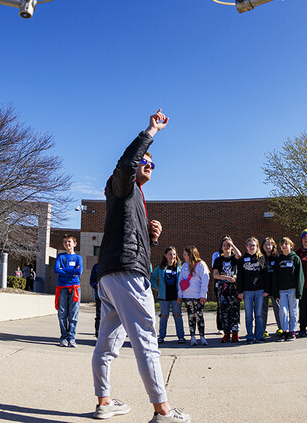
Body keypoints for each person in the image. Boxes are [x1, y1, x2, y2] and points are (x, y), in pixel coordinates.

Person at [91, 110, 190, 422]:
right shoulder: (121, 184)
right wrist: (151, 131)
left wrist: (150, 235)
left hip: (111, 275)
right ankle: (163, 410)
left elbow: (129, 235)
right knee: (147, 338)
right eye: (145, 161)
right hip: (127, 274)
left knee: (107, 342)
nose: (149, 165)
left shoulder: (132, 197)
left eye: (153, 163)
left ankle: (104, 402)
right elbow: (126, 164)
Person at [150, 247, 186, 345]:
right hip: (164, 297)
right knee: (164, 316)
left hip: (176, 297)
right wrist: (155, 287)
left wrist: (182, 292)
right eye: (170, 254)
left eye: (174, 254)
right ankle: (161, 337)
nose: (172, 256)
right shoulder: (161, 268)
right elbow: (151, 278)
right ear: (165, 255)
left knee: (177, 315)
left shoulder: (179, 267)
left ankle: (181, 336)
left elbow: (184, 279)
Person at [236, 237, 269, 343]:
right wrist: (240, 291)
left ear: (257, 247)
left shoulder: (261, 259)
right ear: (246, 247)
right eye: (249, 245)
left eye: (253, 245)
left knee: (259, 314)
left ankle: (259, 335)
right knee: (249, 315)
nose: (251, 247)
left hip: (259, 290)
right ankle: (250, 335)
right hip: (247, 291)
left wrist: (266, 290)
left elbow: (265, 276)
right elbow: (239, 277)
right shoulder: (241, 260)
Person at [211, 236, 242, 342]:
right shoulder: (218, 259)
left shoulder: (234, 258)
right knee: (224, 310)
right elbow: (215, 275)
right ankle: (226, 333)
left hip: (233, 288)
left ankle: (235, 332)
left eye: (228, 245)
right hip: (223, 288)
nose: (226, 247)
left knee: (234, 310)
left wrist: (232, 244)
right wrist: (226, 278)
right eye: (224, 245)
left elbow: (239, 255)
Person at [272, 237, 303, 340]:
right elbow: (275, 276)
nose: (284, 246)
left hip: (293, 289)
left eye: (286, 244)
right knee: (283, 311)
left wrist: (299, 291)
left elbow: (300, 276)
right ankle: (284, 330)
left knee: (293, 311)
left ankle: (292, 331)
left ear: (291, 245)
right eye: (282, 244)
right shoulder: (279, 260)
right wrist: (275, 291)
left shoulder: (295, 258)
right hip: (282, 290)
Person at [178, 246, 209, 346]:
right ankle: (192, 337)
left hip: (198, 297)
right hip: (187, 296)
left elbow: (205, 280)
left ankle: (202, 337)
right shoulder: (184, 266)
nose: (183, 256)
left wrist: (203, 295)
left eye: (185, 254)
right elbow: (180, 281)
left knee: (199, 316)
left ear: (190, 254)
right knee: (191, 316)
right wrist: (180, 295)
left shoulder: (201, 265)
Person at [55, 234, 82, 347]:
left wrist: (64, 270)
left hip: (75, 288)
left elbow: (79, 271)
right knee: (62, 314)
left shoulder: (78, 258)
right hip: (62, 288)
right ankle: (63, 337)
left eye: (69, 242)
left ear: (74, 244)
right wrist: (71, 271)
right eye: (65, 242)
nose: (67, 244)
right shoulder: (60, 257)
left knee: (73, 314)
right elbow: (56, 269)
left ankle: (72, 338)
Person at [261, 236, 281, 338]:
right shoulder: (260, 258)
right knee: (263, 309)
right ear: (262, 246)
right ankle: (262, 330)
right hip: (264, 288)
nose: (268, 247)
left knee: (277, 308)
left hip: (274, 287)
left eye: (270, 244)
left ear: (273, 246)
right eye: (266, 245)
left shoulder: (277, 258)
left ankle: (281, 327)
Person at [89, 262, 101, 337]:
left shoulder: (111, 265)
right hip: (99, 294)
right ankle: (98, 335)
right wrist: (95, 285)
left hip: (111, 296)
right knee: (99, 315)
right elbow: (92, 280)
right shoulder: (96, 266)